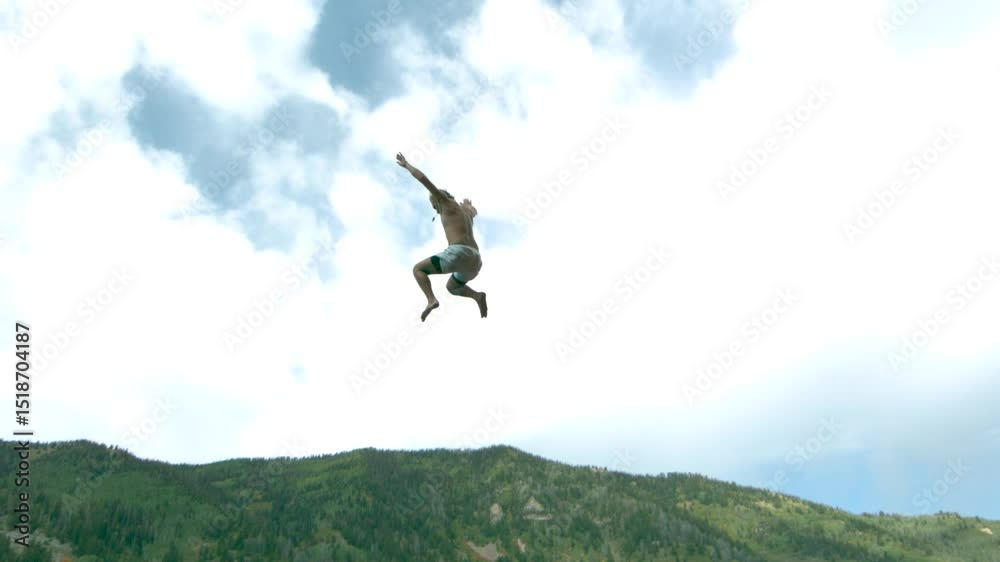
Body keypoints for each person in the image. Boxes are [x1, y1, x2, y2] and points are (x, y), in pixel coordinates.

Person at [396, 153, 488, 321]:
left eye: (434, 205)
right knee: (452, 287)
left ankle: (431, 300)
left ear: (440, 198)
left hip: (458, 253)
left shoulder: (445, 202)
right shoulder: (466, 213)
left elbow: (423, 179)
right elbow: (473, 211)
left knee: (418, 270)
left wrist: (406, 165)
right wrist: (469, 206)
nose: (436, 210)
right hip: (475, 261)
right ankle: (477, 296)